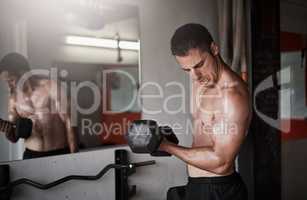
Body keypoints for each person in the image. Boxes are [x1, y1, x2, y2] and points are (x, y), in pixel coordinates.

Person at [160, 24, 251, 199]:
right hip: (196, 185)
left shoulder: (232, 95)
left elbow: (222, 163)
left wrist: (167, 146)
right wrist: (164, 139)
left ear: (214, 48)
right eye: (187, 70)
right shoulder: (199, 80)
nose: (194, 76)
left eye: (199, 64)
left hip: (219, 190)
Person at [0, 52, 78, 159]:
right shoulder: (13, 100)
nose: (9, 85)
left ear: (23, 73)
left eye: (11, 80)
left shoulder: (52, 87)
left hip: (58, 153)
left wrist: (75, 158)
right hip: (31, 155)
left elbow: (70, 124)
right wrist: (8, 132)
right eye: (6, 82)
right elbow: (15, 137)